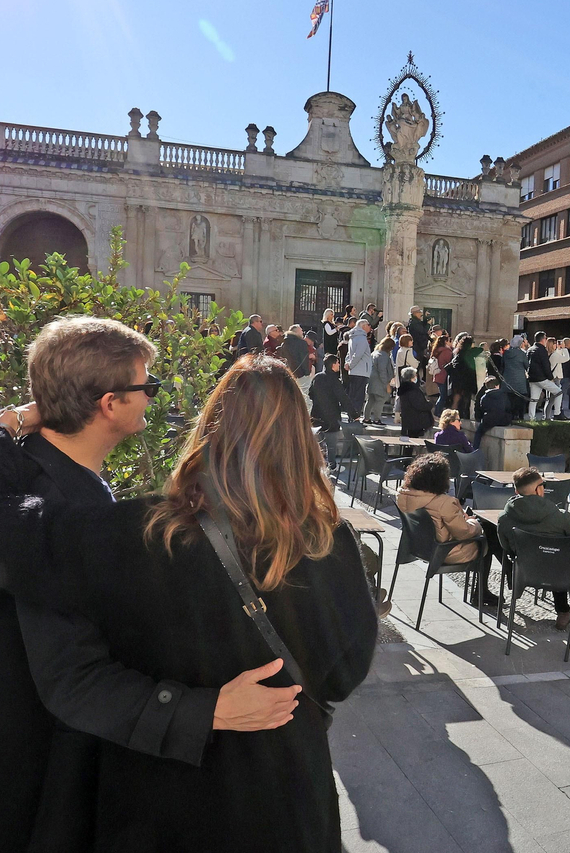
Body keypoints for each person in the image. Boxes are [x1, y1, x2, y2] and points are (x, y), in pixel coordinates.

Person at [0, 321, 306, 852]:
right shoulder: (68, 516)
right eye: (147, 387)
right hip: (45, 796)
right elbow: (74, 681)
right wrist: (209, 712)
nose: (153, 398)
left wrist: (8, 424)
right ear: (110, 404)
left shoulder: (16, 475)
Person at [41, 354, 378, 850]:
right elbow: (345, 674)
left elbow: (78, 680)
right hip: (283, 793)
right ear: (300, 438)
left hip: (163, 796)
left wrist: (14, 425)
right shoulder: (328, 541)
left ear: (211, 424)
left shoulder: (136, 533)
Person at [497, 466, 570, 629]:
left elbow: (505, 546)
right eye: (544, 484)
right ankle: (563, 611)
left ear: (516, 491)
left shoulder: (504, 519)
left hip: (523, 572)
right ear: (539, 490)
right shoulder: (560, 516)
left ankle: (509, 588)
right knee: (559, 553)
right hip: (557, 575)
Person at [396, 452, 485, 570]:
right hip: (445, 551)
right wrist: (475, 523)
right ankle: (483, 587)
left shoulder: (403, 495)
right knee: (487, 537)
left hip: (419, 547)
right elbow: (463, 533)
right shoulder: (443, 503)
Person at [474, 376, 515, 450]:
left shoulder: (484, 397)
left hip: (489, 420)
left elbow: (482, 408)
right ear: (497, 386)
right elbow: (508, 407)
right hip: (503, 420)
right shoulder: (504, 396)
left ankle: (474, 449)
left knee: (478, 433)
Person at [526, 333, 562, 419]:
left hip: (532, 378)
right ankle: (557, 413)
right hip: (541, 378)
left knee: (533, 399)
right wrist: (550, 378)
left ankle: (531, 418)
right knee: (559, 392)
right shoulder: (542, 350)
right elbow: (546, 366)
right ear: (543, 339)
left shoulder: (530, 349)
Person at [343, 318, 372, 420]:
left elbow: (349, 353)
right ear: (363, 326)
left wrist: (348, 363)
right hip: (361, 371)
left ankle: (352, 416)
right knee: (358, 397)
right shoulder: (362, 339)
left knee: (353, 395)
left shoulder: (353, 338)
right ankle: (355, 417)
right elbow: (358, 354)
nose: (370, 327)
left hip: (354, 371)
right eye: (368, 325)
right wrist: (350, 364)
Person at [309, 354, 345, 432]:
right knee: (331, 441)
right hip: (332, 418)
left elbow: (310, 393)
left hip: (316, 415)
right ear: (333, 364)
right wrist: (354, 415)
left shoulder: (317, 377)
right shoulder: (335, 380)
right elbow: (343, 398)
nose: (339, 364)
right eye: (338, 362)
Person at [395, 366, 433, 438]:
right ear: (411, 377)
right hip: (415, 422)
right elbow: (419, 405)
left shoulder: (404, 389)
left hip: (408, 420)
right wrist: (430, 404)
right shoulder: (412, 390)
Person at [365, 336, 395, 425]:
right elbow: (382, 370)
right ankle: (376, 419)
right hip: (380, 382)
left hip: (371, 380)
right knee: (380, 400)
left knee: (370, 400)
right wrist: (386, 384)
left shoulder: (374, 353)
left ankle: (366, 418)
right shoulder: (384, 356)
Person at [279, 324, 313, 395]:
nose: (302, 332)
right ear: (296, 332)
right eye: (301, 330)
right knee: (306, 395)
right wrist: (307, 373)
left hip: (289, 374)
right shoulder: (301, 343)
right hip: (301, 374)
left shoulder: (284, 343)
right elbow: (303, 359)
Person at [553, 336, 570, 419]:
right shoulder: (564, 352)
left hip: (562, 375)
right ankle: (559, 410)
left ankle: (558, 410)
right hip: (563, 376)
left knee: (562, 394)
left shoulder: (568, 351)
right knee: (561, 394)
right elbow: (567, 360)